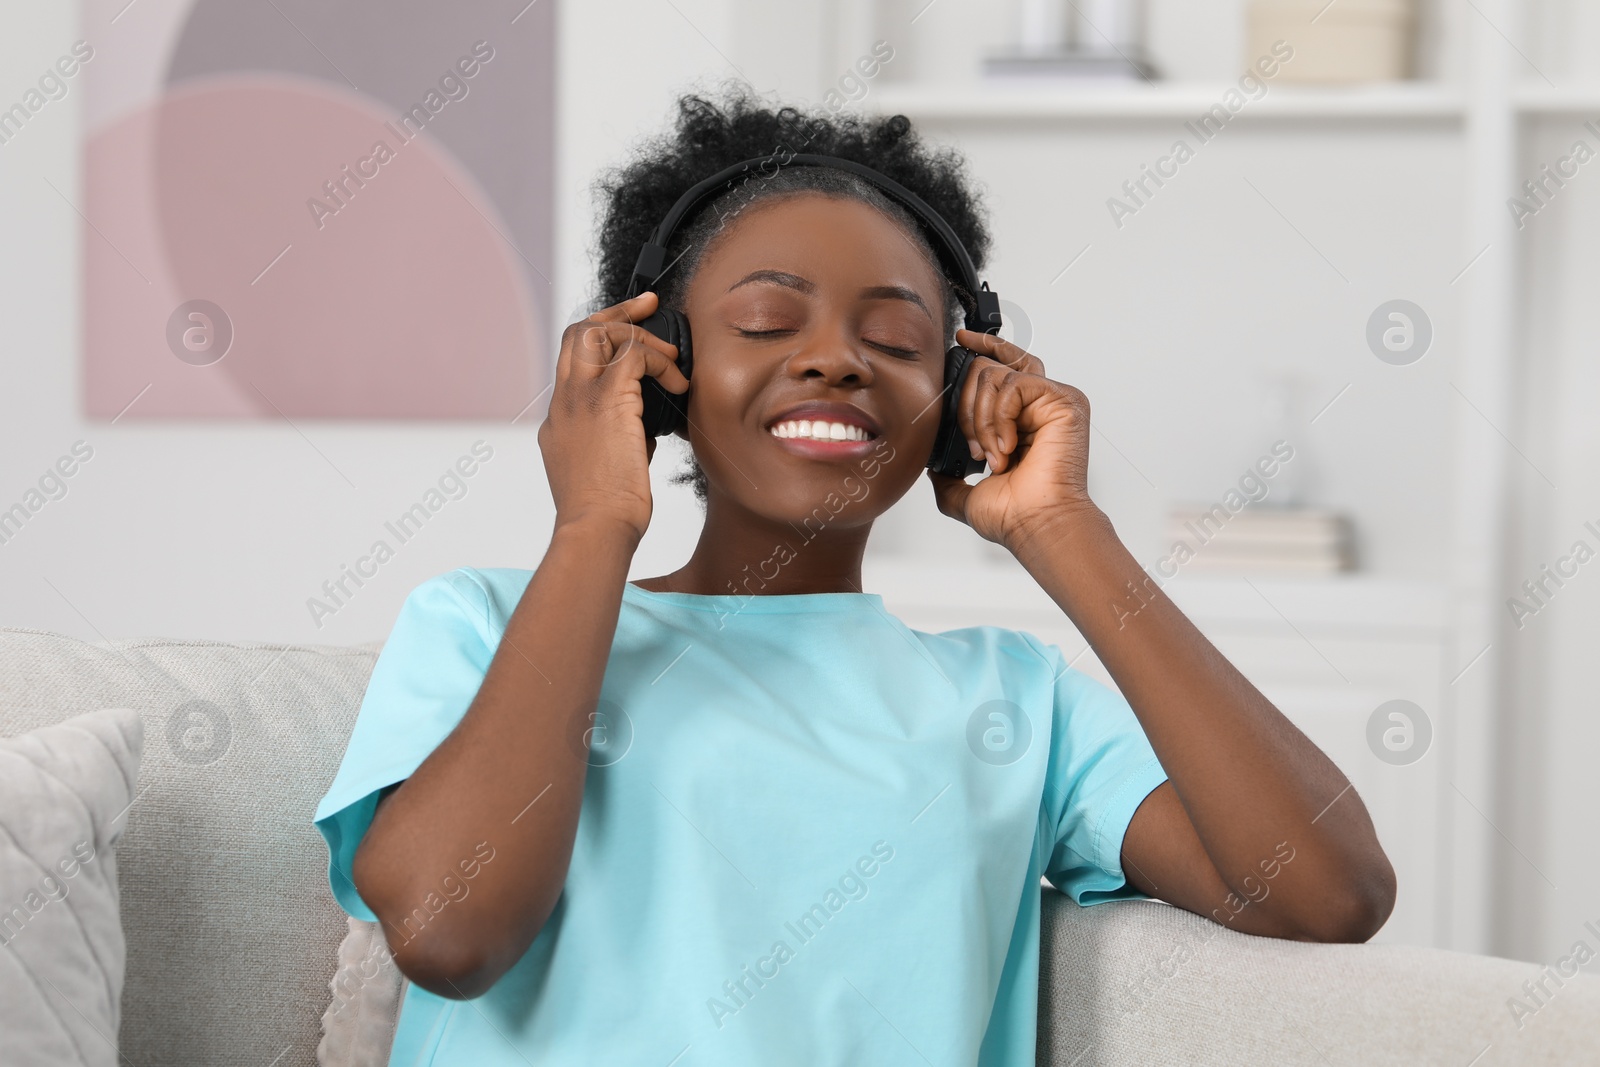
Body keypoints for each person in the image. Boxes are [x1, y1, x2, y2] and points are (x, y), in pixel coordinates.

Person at [312, 82, 1396, 1065]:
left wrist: (1062, 525)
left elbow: (1328, 890)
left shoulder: (1015, 699)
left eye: (895, 337)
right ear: (660, 371)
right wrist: (596, 519)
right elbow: (449, 933)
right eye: (765, 321)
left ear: (957, 391)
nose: (837, 358)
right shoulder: (486, 622)